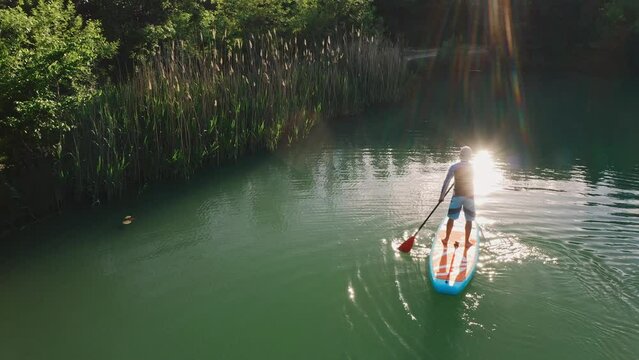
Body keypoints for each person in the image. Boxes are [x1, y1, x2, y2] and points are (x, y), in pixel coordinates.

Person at [439, 146, 475, 248]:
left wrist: (441, 197)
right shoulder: (473, 167)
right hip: (470, 197)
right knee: (469, 220)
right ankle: (467, 242)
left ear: (460, 155)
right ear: (470, 156)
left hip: (457, 196)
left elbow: (446, 183)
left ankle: (446, 239)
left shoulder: (454, 167)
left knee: (451, 218)